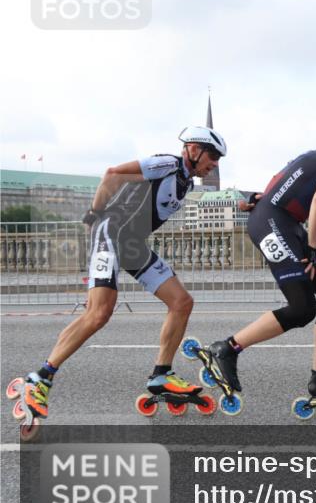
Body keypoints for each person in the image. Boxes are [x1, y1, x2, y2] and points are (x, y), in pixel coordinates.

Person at [7, 126, 227, 432]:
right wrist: (93, 214)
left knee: (182, 302)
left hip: (133, 245)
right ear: (192, 148)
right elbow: (112, 174)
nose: (215, 162)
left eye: (218, 158)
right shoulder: (167, 164)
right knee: (99, 313)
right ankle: (39, 378)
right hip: (111, 233)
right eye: (212, 155)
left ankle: (161, 374)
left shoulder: (186, 182)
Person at [200, 121, 316, 414]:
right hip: (274, 223)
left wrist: (260, 197)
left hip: (285, 222)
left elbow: (289, 173)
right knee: (301, 307)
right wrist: (311, 249)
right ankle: (226, 348)